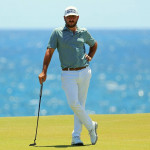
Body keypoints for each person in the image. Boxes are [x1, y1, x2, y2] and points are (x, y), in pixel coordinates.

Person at [38, 6, 98, 146]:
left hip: (84, 71)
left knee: (80, 105)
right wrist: (44, 71)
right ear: (64, 18)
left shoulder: (83, 32)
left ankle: (76, 138)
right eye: (68, 16)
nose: (71, 18)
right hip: (68, 73)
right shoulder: (57, 33)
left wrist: (90, 56)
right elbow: (49, 51)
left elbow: (94, 44)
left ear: (77, 17)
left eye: (73, 16)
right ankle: (91, 126)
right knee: (74, 103)